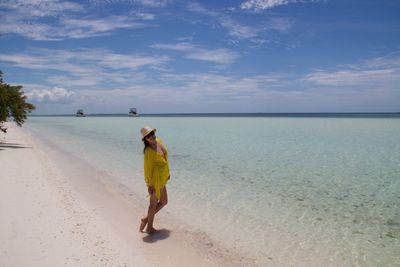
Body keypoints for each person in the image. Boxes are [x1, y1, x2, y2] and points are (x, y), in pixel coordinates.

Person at [139, 126, 170, 234]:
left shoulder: (159, 141)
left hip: (162, 177)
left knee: (164, 201)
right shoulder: (148, 151)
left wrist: (168, 173)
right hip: (154, 180)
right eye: (148, 136)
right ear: (145, 139)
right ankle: (149, 227)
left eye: (151, 133)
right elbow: (147, 169)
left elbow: (165, 158)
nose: (151, 136)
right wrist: (149, 185)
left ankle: (145, 219)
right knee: (153, 204)